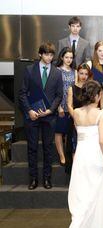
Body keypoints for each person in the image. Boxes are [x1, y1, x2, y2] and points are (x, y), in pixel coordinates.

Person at [63, 80, 103, 228]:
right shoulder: (102, 113)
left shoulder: (75, 112)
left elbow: (79, 136)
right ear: (98, 95)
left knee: (83, 194)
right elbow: (101, 140)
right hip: (95, 155)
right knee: (96, 193)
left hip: (81, 156)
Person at [18, 42, 63, 190]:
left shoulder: (57, 72)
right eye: (46, 54)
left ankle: (47, 179)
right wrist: (29, 111)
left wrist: (50, 110)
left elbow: (59, 95)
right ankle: (33, 179)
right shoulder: (30, 70)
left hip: (49, 116)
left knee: (48, 149)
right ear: (40, 54)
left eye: (51, 55)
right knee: (32, 148)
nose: (49, 57)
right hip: (32, 116)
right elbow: (22, 93)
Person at [66, 64, 94, 171]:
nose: (83, 76)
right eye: (81, 73)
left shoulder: (91, 88)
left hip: (89, 122)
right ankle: (76, 173)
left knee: (88, 149)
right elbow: (69, 105)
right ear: (77, 73)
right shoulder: (72, 88)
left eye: (86, 74)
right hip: (75, 122)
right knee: (75, 147)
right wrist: (76, 118)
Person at [55, 47, 76, 167]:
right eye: (66, 57)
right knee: (59, 132)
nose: (69, 59)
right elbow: (54, 91)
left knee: (69, 132)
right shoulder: (56, 71)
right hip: (60, 106)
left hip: (72, 106)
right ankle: (62, 156)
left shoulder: (75, 71)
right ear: (62, 57)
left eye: (71, 57)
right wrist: (58, 107)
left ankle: (68, 155)